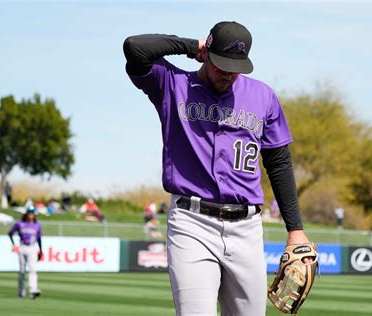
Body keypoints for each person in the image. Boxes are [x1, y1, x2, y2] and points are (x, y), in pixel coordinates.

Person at [124, 21, 313, 315]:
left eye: (235, 66)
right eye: (221, 64)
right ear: (207, 53)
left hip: (247, 228)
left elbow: (278, 162)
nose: (227, 72)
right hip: (192, 223)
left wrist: (296, 230)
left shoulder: (263, 97)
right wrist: (190, 46)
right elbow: (135, 48)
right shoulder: (173, 85)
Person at [8, 205, 43, 299]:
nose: (31, 214)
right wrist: (13, 244)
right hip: (22, 247)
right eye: (29, 212)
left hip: (32, 248)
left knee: (33, 269)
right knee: (22, 271)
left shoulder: (37, 225)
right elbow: (10, 233)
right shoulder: (19, 223)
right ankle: (21, 291)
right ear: (26, 213)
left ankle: (33, 290)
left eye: (32, 213)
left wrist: (41, 250)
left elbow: (39, 239)